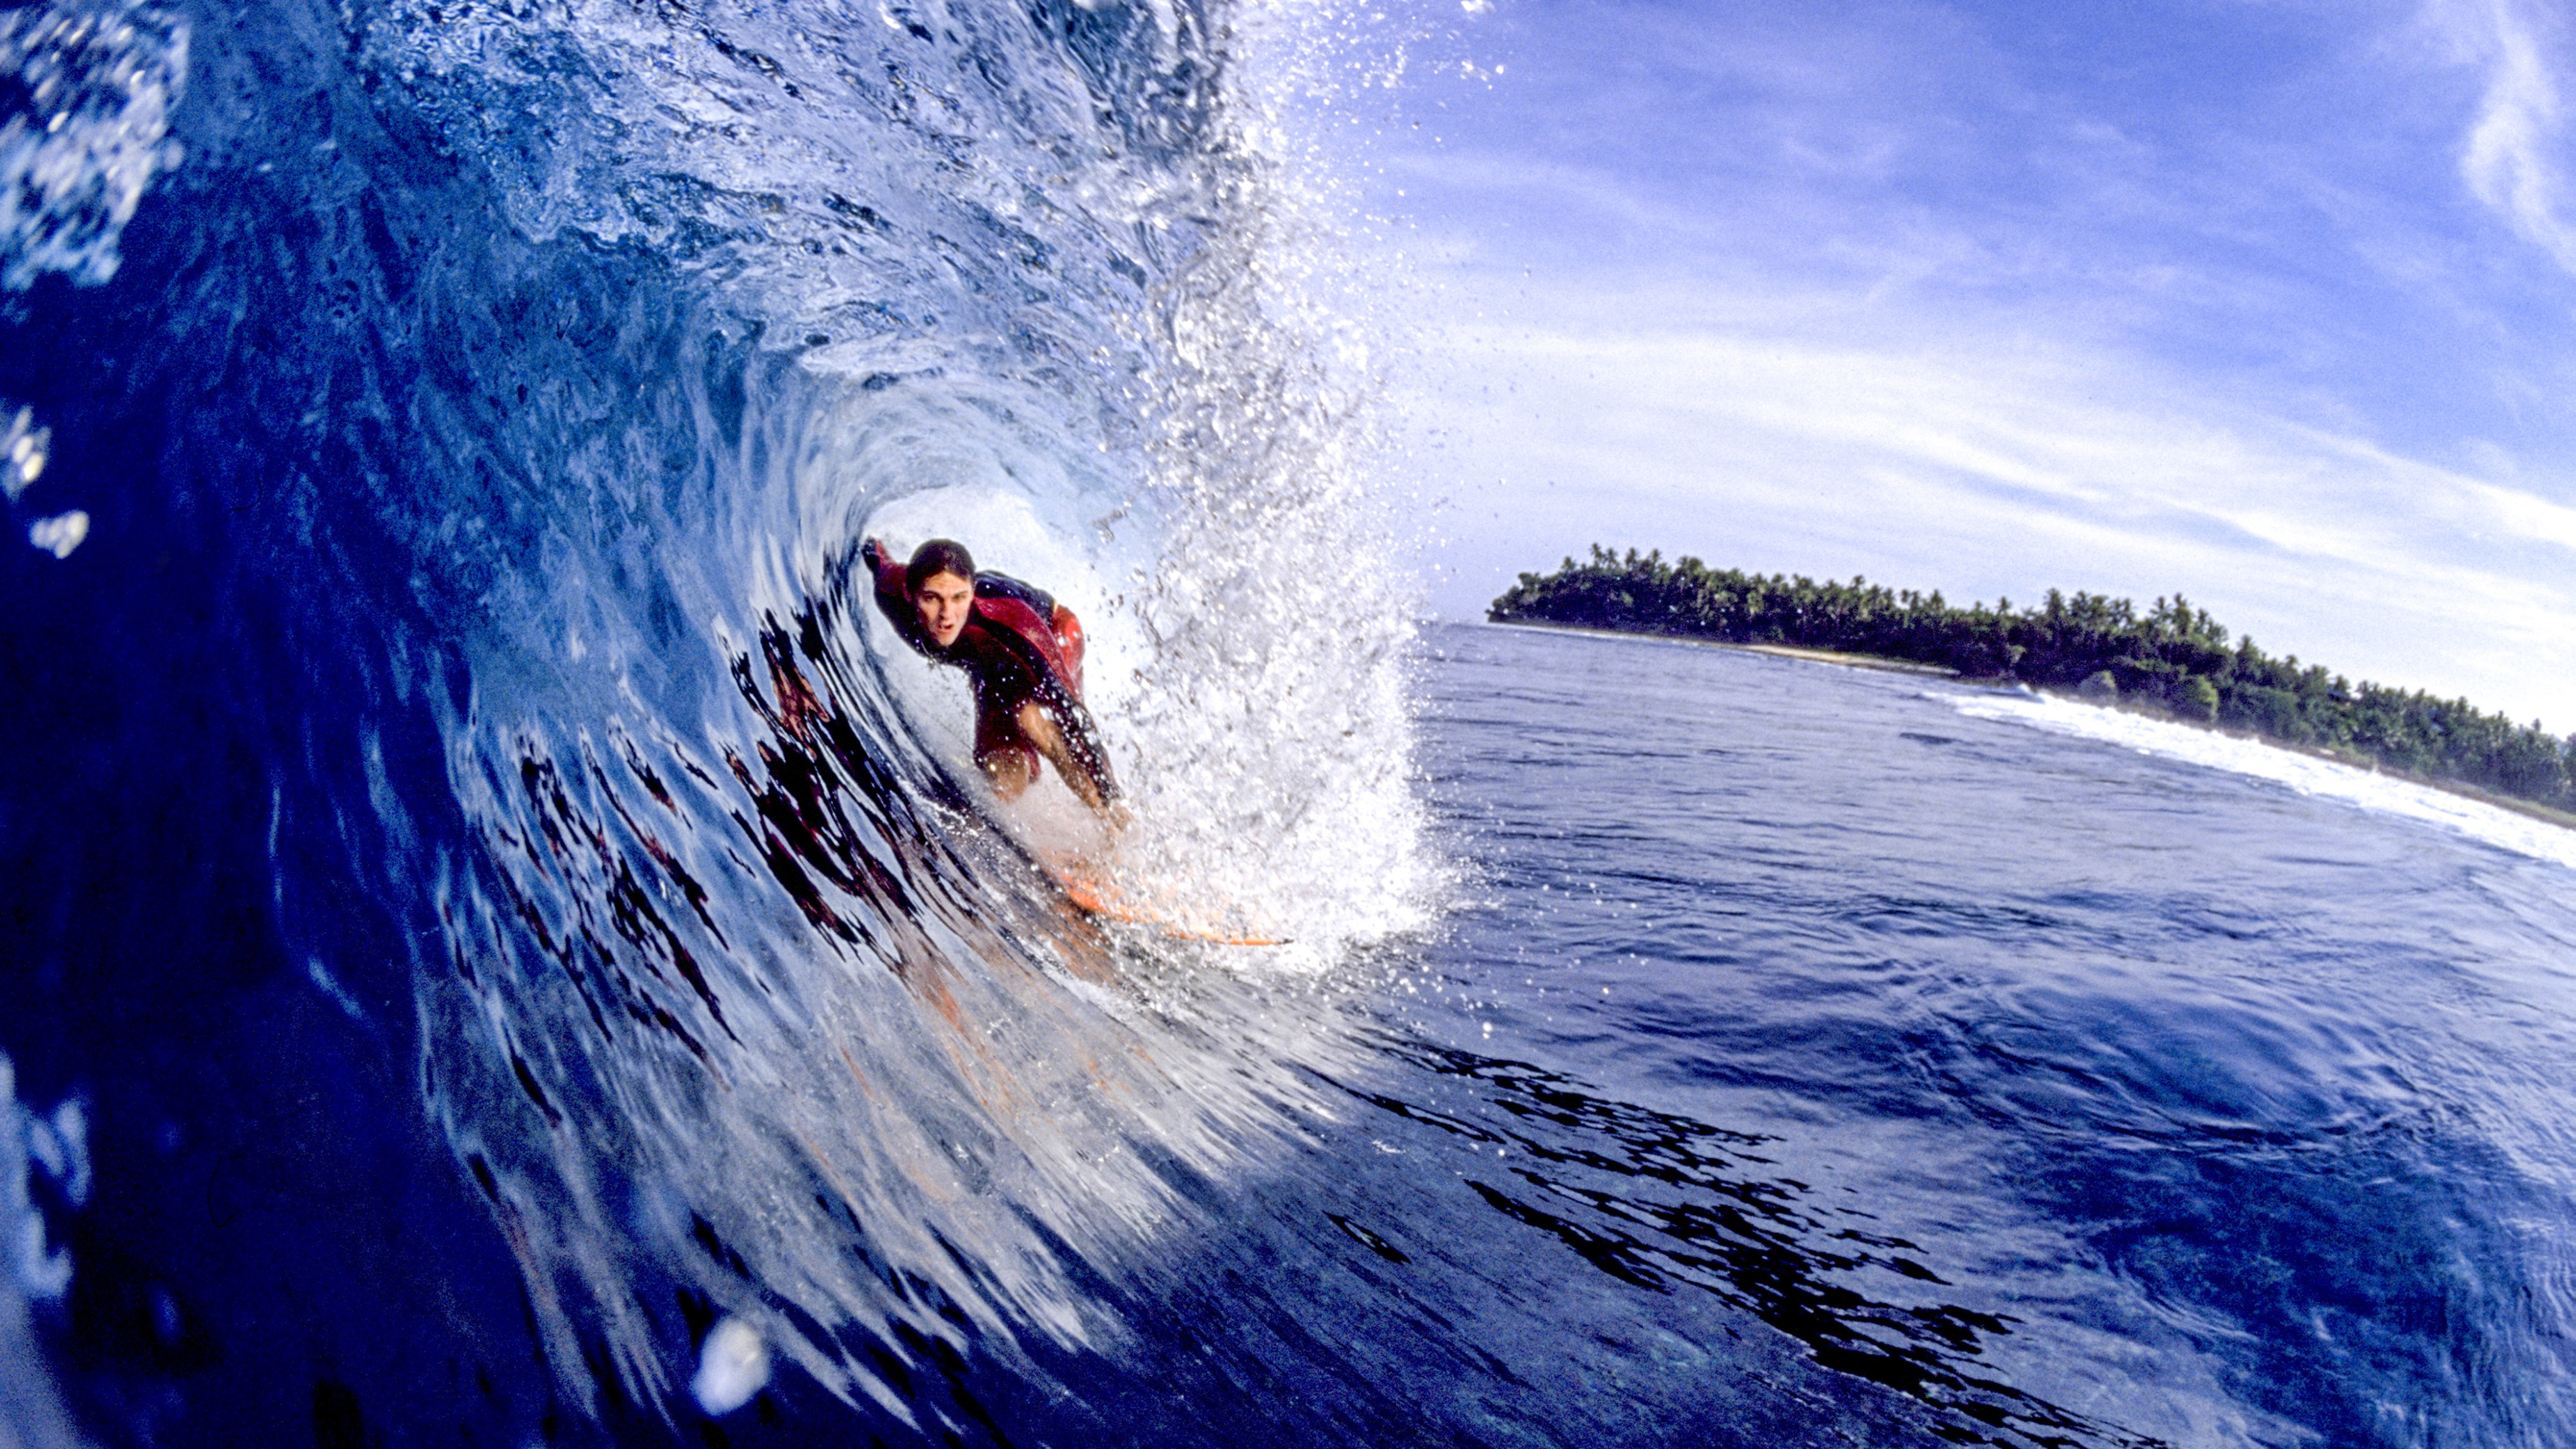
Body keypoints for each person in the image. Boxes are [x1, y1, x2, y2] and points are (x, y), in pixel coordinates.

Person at [860, 536, 1122, 815]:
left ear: (972, 593)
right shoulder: (890, 591)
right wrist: (866, 542)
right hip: (990, 664)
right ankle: (998, 813)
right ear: (911, 594)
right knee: (996, 756)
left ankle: (1112, 818)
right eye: (932, 599)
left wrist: (1111, 792)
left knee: (1032, 721)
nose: (947, 615)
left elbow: (1074, 711)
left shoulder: (1009, 622)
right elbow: (877, 556)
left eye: (959, 598)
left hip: (1053, 635)